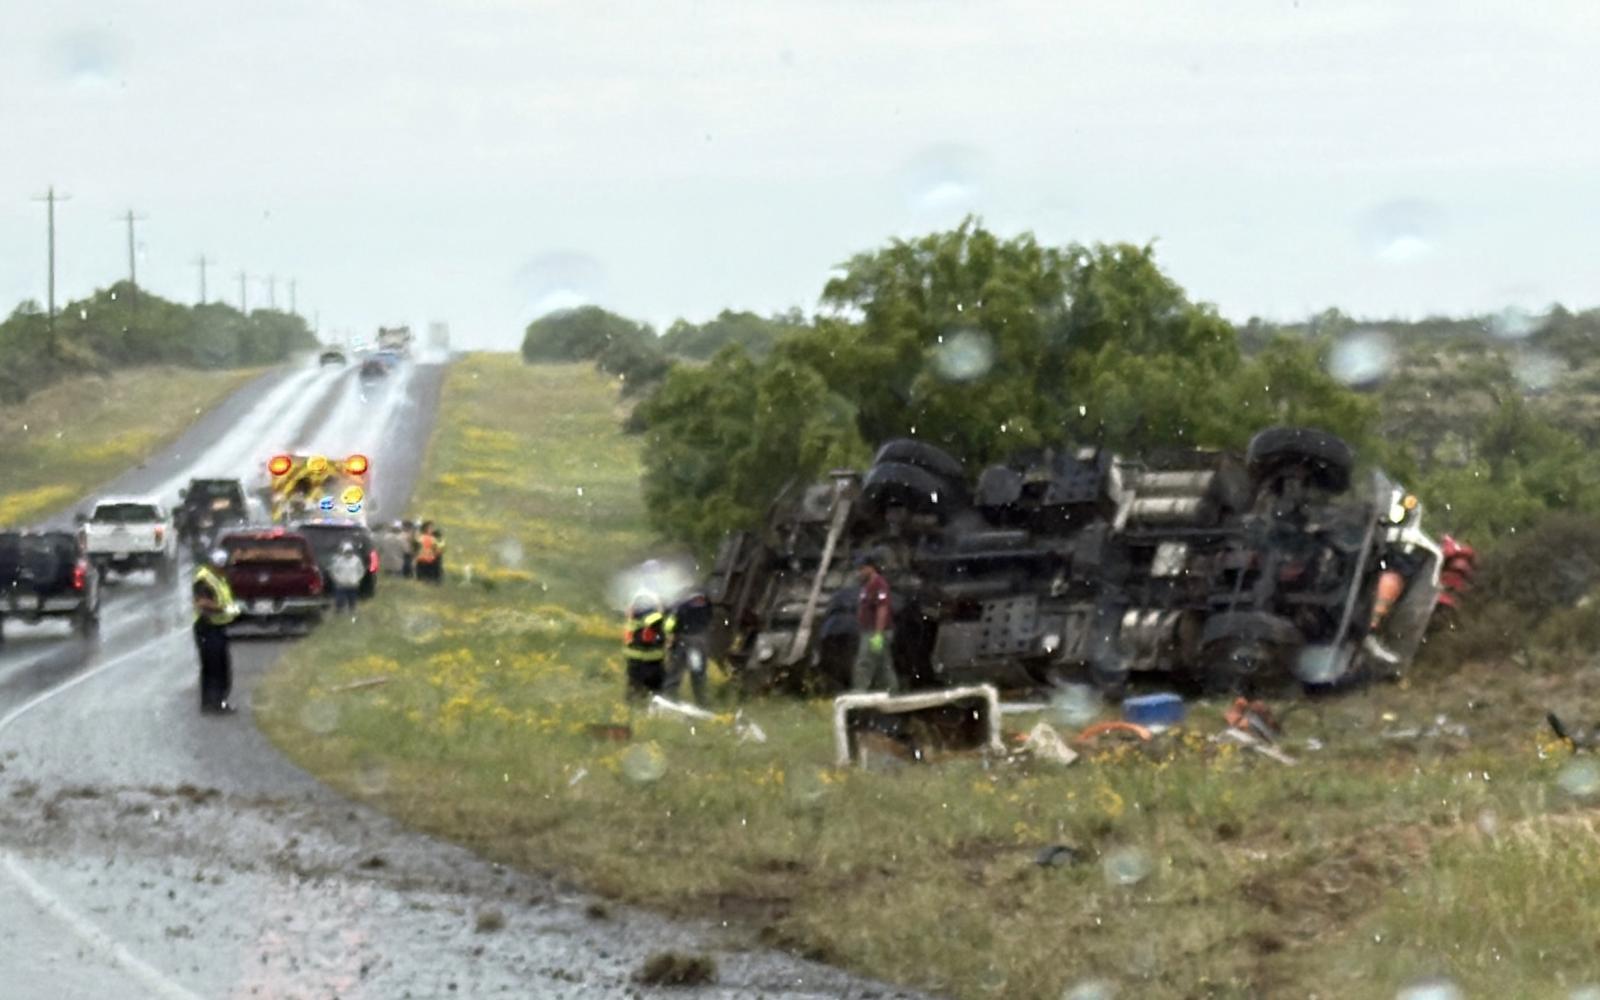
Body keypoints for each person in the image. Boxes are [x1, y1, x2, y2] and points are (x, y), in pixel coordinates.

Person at [192, 548, 240, 714]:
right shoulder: (205, 580)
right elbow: (203, 603)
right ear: (216, 565)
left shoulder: (218, 578)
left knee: (220, 667)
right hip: (207, 627)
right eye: (225, 567)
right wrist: (225, 609)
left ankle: (215, 702)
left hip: (218, 628)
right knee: (214, 668)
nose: (227, 570)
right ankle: (213, 703)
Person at [851, 551, 897, 692]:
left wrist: (878, 633)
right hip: (868, 630)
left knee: (864, 661)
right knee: (884, 664)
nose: (859, 572)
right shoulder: (866, 585)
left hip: (875, 631)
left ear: (870, 568)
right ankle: (891, 690)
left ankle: (859, 691)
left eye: (862, 569)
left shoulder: (879, 584)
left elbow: (882, 609)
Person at [663, 590, 713, 706]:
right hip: (700, 642)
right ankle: (702, 702)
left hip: (683, 641)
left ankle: (669, 699)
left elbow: (669, 626)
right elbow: (709, 620)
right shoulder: (707, 604)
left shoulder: (680, 606)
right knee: (698, 674)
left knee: (675, 671)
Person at [622, 591, 669, 701]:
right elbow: (656, 620)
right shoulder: (651, 620)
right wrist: (662, 609)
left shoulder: (632, 621)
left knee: (634, 690)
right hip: (651, 662)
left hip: (634, 662)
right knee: (656, 692)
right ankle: (651, 710)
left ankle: (632, 709)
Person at [329, 540, 366, 617]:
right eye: (346, 551)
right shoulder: (339, 560)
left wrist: (357, 579)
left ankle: (352, 614)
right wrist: (337, 580)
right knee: (339, 600)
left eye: (350, 551)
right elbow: (333, 571)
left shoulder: (356, 560)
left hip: (353, 585)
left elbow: (361, 571)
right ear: (343, 551)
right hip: (341, 585)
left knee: (352, 601)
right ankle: (338, 614)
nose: (348, 553)